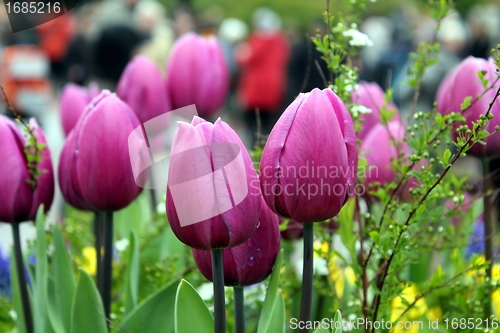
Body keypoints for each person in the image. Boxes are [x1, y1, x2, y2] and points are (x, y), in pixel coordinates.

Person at [236, 7, 290, 146]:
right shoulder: (281, 42)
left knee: (253, 125)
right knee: (269, 124)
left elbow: (245, 59)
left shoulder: (258, 41)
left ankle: (254, 149)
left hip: (256, 89)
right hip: (274, 88)